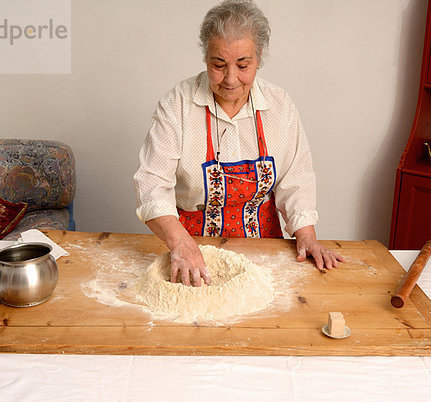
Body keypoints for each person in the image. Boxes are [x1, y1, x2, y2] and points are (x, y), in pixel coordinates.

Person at [134, 0, 344, 287]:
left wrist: (306, 236)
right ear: (205, 58)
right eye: (218, 65)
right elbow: (151, 184)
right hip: (191, 249)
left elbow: (297, 180)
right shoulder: (177, 105)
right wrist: (180, 243)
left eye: (243, 65)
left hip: (266, 249)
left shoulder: (280, 106)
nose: (230, 79)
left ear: (259, 59)